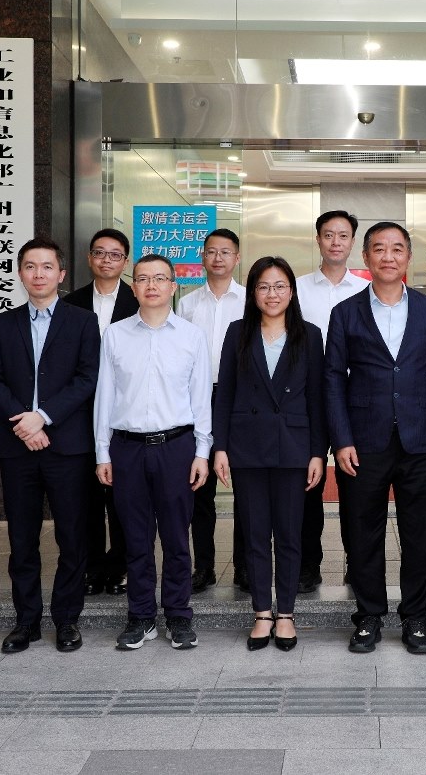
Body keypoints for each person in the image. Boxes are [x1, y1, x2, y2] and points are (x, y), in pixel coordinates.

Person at [325, 221, 426, 655]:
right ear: (366, 257)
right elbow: (333, 378)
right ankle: (369, 616)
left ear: (409, 257)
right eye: (379, 249)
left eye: (397, 249)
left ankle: (415, 619)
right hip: (363, 441)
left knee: (418, 533)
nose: (388, 257)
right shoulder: (345, 312)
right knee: (362, 532)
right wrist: (341, 439)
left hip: (419, 438)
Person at [0, 238, 101, 654]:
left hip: (67, 446)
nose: (38, 274)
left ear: (61, 274)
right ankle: (26, 621)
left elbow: (87, 378)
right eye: (30, 266)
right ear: (20, 274)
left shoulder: (83, 322)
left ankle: (67, 619)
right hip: (18, 446)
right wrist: (24, 421)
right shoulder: (2, 324)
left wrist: (44, 416)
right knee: (22, 539)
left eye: (47, 267)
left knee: (72, 537)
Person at [95, 254, 213, 651]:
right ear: (133, 287)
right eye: (143, 278)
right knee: (136, 538)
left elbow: (201, 398)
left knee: (177, 537)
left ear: (173, 286)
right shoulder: (115, 335)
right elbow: (105, 397)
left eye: (160, 278)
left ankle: (178, 615)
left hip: (176, 447)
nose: (151, 285)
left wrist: (202, 451)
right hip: (127, 448)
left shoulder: (191, 336)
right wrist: (102, 452)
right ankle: (141, 616)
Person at [214, 257, 326, 652]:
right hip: (247, 447)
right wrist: (220, 447)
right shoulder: (238, 332)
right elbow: (225, 392)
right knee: (256, 534)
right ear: (253, 293)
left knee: (290, 535)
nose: (272, 294)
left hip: (294, 449)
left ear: (291, 292)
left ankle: (287, 613)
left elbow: (317, 397)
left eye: (279, 286)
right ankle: (262, 612)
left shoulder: (310, 335)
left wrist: (318, 453)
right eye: (263, 286)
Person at [296, 210, 370, 592]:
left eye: (343, 235)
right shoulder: (296, 288)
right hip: (305, 397)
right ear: (318, 239)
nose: (336, 242)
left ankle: (357, 564)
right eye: (328, 235)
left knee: (355, 485)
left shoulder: (367, 290)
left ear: (352, 242)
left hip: (353, 398)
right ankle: (308, 567)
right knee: (307, 485)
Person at [63, 229, 139, 598]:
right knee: (86, 497)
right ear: (89, 258)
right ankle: (92, 567)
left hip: (125, 411)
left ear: (126, 261)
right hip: (80, 413)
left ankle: (120, 565)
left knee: (123, 496)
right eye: (99, 252)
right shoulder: (71, 303)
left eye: (115, 254)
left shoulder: (139, 300)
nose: (106, 260)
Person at [175, 228, 246, 593]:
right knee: (199, 486)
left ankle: (244, 567)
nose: (218, 258)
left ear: (237, 258)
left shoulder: (250, 300)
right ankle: (203, 566)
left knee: (246, 486)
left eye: (225, 252)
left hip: (241, 399)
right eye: (212, 251)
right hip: (197, 398)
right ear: (202, 257)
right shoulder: (187, 303)